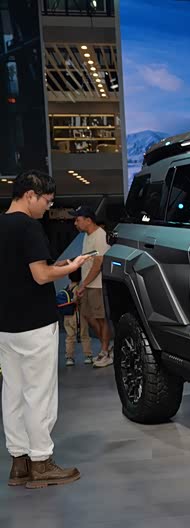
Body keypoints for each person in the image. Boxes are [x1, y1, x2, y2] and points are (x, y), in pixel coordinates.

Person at [0, 170, 90, 488]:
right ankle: (41, 462)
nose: (48, 207)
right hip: (35, 322)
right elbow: (40, 275)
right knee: (39, 393)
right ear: (30, 195)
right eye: (47, 201)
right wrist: (69, 267)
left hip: (6, 324)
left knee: (12, 392)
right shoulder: (28, 227)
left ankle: (19, 463)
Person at [72, 206, 112, 368]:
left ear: (88, 220)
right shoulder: (87, 236)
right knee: (89, 317)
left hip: (97, 285)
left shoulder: (100, 236)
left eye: (78, 220)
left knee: (101, 319)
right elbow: (87, 260)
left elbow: (98, 264)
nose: (75, 223)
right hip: (88, 285)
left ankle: (105, 352)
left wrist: (83, 284)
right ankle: (106, 347)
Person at [60, 270, 93, 367]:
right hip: (78, 316)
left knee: (69, 337)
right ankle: (88, 356)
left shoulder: (66, 288)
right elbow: (79, 301)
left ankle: (69, 358)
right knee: (84, 336)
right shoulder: (79, 289)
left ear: (69, 277)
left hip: (67, 317)